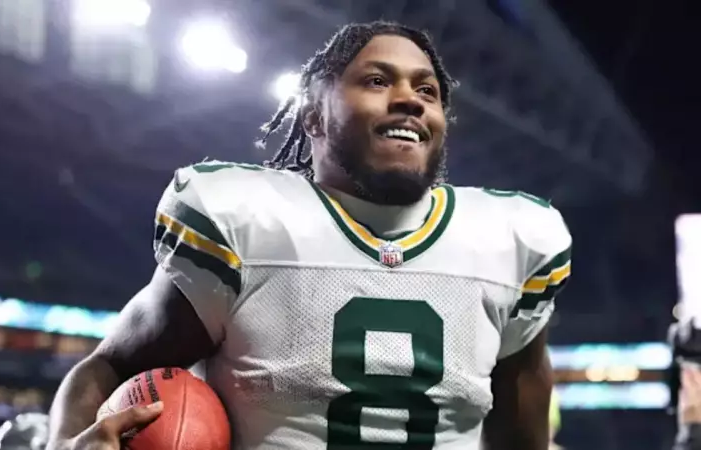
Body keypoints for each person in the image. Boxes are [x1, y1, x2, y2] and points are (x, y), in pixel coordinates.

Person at [46, 20, 572, 450]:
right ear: (314, 116)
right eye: (377, 81)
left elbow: (522, 422)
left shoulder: (510, 241)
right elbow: (108, 367)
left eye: (426, 90)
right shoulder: (243, 224)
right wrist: (68, 442)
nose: (410, 100)